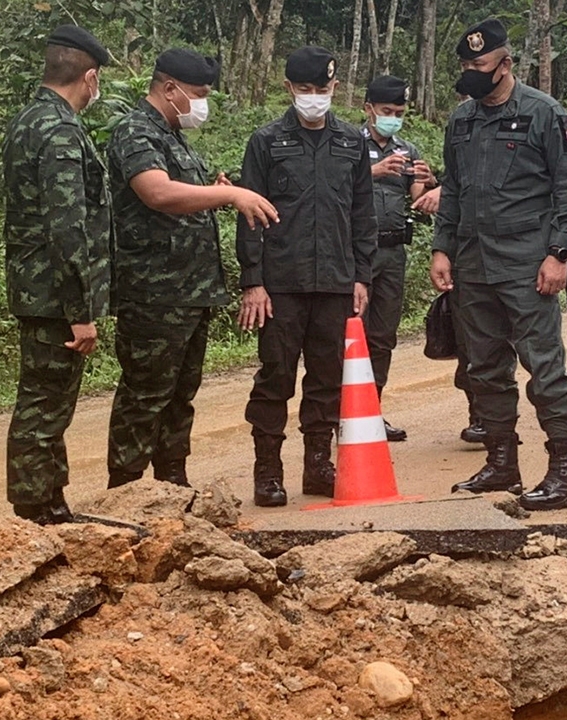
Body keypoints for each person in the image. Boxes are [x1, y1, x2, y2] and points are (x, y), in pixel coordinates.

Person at [431, 18, 567, 511]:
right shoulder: (462, 119)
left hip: (526, 264)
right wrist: (442, 248)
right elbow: (452, 190)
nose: (471, 73)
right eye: (465, 66)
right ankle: (502, 463)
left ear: (505, 64)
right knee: (484, 368)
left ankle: (564, 473)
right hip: (473, 265)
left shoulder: (544, 113)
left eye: (478, 65)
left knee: (546, 369)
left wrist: (558, 253)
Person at [106, 49, 278, 490]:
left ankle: (172, 481)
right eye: (198, 95)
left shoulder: (175, 136)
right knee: (145, 394)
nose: (202, 104)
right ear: (169, 88)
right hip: (153, 294)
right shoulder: (136, 131)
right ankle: (125, 489)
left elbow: (183, 197)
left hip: (191, 292)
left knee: (180, 396)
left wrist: (211, 190)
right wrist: (228, 196)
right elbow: (157, 193)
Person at [237, 46, 377, 507]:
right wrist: (253, 281)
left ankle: (318, 464)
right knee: (276, 374)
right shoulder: (266, 141)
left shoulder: (352, 142)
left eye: (321, 89)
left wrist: (361, 275)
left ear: (335, 88)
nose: (313, 98)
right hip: (282, 282)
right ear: (288, 88)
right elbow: (250, 215)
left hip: (336, 280)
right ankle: (268, 471)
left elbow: (362, 212)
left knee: (326, 376)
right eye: (304, 90)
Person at [2, 25, 112, 525]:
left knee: (47, 403)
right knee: (44, 406)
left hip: (36, 287)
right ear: (88, 77)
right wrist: (80, 312)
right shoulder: (61, 130)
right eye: (98, 81)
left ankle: (51, 502)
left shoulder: (28, 121)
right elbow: (67, 230)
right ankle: (34, 510)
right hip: (53, 294)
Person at [361, 75, 438, 443]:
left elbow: (419, 197)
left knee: (382, 335)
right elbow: (331, 186)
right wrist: (372, 171)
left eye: (399, 112)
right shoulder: (348, 144)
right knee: (349, 335)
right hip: (357, 252)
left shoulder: (407, 148)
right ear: (369, 110)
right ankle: (340, 414)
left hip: (393, 252)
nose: (392, 117)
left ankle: (372, 412)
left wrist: (429, 181)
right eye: (387, 111)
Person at [414, 183, 487, 444]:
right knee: (466, 341)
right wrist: (441, 250)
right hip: (464, 255)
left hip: (508, 253)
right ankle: (479, 416)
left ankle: (496, 418)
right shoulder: (459, 143)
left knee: (496, 342)